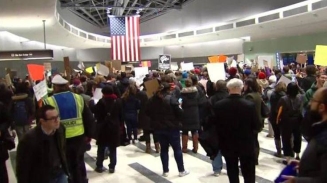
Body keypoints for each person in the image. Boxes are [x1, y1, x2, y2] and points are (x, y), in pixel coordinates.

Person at [43, 75, 95, 183]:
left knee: (63, 163)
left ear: (55, 86)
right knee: (79, 161)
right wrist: (89, 135)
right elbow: (88, 118)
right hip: (79, 136)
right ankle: (82, 180)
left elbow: (44, 122)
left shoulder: (48, 101)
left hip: (59, 138)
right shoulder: (78, 98)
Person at [214, 78, 260, 183]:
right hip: (246, 143)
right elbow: (257, 125)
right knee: (248, 171)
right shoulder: (249, 105)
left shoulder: (219, 105)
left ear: (228, 89)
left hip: (227, 142)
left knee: (232, 170)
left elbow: (215, 125)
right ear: (241, 88)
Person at [283, 87, 327, 183]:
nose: (310, 104)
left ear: (322, 107)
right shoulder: (319, 129)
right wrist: (305, 164)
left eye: (313, 100)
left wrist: (296, 181)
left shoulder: (324, 138)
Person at [16, 105, 70, 183]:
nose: (57, 120)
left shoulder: (60, 129)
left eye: (58, 117)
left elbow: (62, 149)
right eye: (53, 118)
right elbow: (23, 167)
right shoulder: (29, 139)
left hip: (59, 173)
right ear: (42, 121)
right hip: (41, 177)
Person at [146, 82, 189, 177]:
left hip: (158, 128)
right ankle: (181, 170)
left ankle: (165, 171)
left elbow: (147, 112)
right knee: (177, 149)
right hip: (172, 127)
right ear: (169, 90)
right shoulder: (172, 99)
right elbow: (180, 113)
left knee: (164, 150)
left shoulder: (151, 100)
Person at [90, 86, 122, 173]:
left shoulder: (101, 101)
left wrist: (92, 101)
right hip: (114, 127)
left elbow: (94, 110)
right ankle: (112, 167)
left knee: (101, 148)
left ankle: (99, 166)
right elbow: (121, 115)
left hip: (103, 127)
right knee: (113, 148)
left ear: (103, 93)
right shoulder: (118, 101)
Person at [277, 83, 304, 161]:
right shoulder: (300, 97)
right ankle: (297, 154)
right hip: (298, 120)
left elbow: (278, 109)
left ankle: (287, 157)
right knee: (298, 138)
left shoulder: (283, 99)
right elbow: (303, 92)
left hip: (286, 121)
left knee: (286, 139)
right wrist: (298, 86)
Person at [243, 78, 264, 165]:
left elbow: (248, 110)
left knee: (251, 142)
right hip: (257, 121)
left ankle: (252, 159)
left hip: (250, 123)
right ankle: (254, 158)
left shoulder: (249, 96)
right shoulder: (257, 94)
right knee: (255, 140)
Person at [180, 79, 200, 153]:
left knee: (185, 131)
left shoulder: (182, 93)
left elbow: (180, 102)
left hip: (185, 113)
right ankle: (195, 148)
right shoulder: (197, 93)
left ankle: (184, 148)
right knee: (194, 131)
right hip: (195, 113)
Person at [269, 82, 287, 157]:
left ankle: (278, 151)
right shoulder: (286, 96)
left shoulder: (273, 95)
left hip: (274, 116)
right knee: (285, 135)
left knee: (276, 134)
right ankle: (286, 150)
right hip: (283, 117)